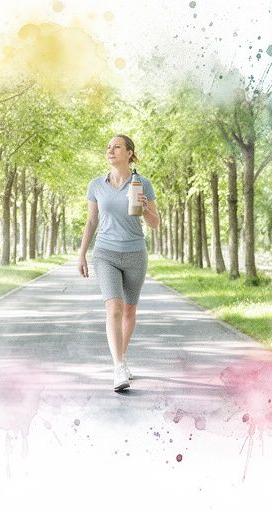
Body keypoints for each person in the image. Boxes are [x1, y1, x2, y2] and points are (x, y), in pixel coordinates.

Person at [78, 134, 160, 391]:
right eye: (108, 147)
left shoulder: (142, 183)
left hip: (136, 253)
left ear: (129, 153)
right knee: (113, 307)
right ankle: (118, 368)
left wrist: (146, 209)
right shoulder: (96, 185)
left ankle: (121, 359)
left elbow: (155, 223)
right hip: (106, 253)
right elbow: (91, 222)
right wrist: (81, 254)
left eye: (117, 147)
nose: (111, 151)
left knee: (128, 311)